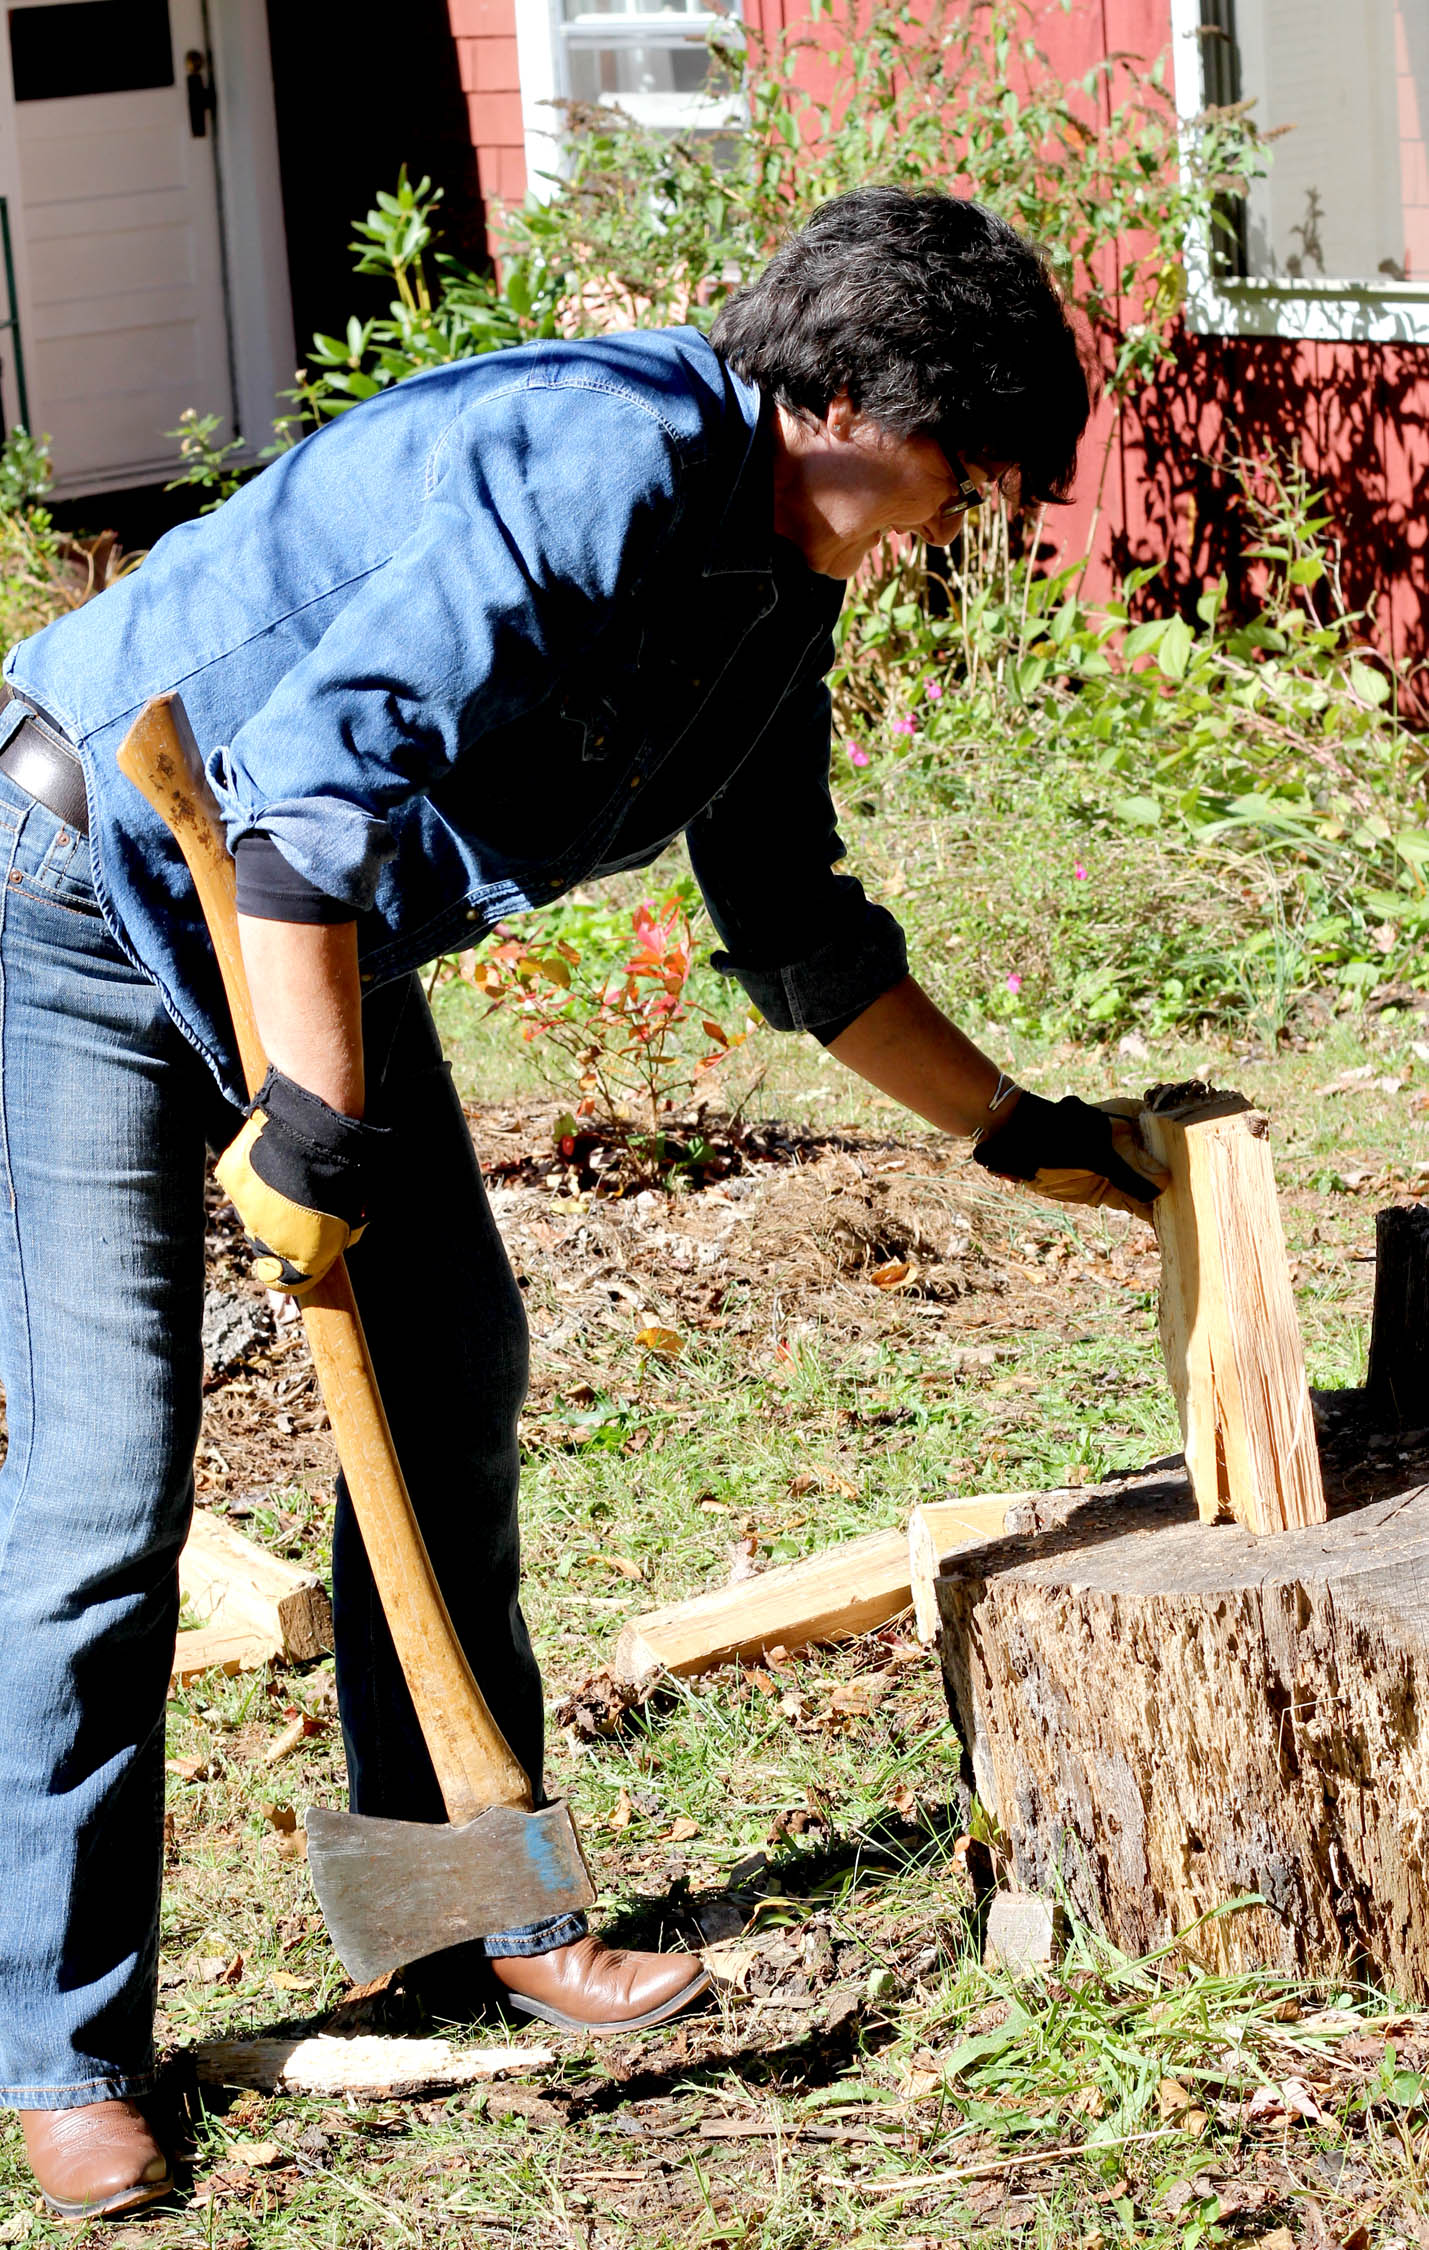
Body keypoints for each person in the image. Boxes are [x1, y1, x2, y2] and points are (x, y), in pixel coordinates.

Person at [0, 185, 1164, 2219]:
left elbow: (796, 931)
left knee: (444, 1385)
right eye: (951, 475)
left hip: (290, 928)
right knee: (108, 1498)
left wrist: (1010, 1128)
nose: (951, 522)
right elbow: (304, 803)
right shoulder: (596, 463)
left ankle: (451, 1916)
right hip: (82, 900)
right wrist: (307, 1135)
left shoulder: (768, 582)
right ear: (838, 404)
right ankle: (61, 2051)